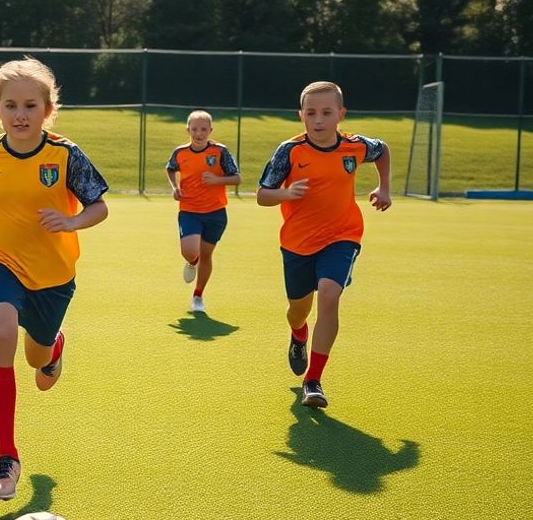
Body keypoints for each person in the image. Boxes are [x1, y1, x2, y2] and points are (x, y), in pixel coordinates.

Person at [0, 57, 109, 501]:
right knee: (2, 329)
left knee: (37, 363)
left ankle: (54, 346)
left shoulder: (66, 155)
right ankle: (6, 456)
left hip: (52, 275)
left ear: (48, 110)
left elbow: (99, 207)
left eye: (31, 105)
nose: (20, 114)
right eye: (10, 105)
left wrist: (72, 223)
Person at [256, 81, 391, 408]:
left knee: (329, 295)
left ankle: (313, 380)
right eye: (311, 113)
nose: (318, 120)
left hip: (342, 236)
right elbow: (262, 195)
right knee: (297, 311)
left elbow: (382, 148)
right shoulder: (289, 151)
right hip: (298, 244)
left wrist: (384, 187)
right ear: (301, 115)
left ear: (340, 115)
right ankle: (298, 334)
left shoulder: (355, 146)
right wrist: (287, 194)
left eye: (327, 113)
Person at [165, 110, 241, 313]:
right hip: (189, 210)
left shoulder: (220, 152)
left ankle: (198, 295)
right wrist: (175, 187)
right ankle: (192, 262)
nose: (199, 133)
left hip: (215, 213)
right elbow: (171, 168)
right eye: (195, 129)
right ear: (188, 130)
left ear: (210, 130)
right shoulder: (180, 153)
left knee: (207, 255)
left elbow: (237, 178)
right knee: (189, 251)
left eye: (203, 129)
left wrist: (218, 180)